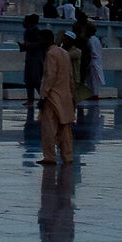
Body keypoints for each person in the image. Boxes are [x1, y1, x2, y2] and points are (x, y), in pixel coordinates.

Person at [38, 33, 76, 167]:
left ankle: (49, 156)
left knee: (49, 128)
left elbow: (50, 76)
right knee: (65, 129)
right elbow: (71, 76)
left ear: (46, 40)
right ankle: (67, 155)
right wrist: (72, 95)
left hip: (52, 97)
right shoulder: (64, 53)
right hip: (65, 96)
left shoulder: (51, 54)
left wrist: (43, 95)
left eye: (40, 39)